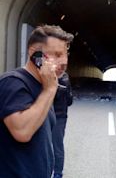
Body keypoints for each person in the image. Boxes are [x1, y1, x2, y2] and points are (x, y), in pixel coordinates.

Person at [0, 25, 73, 177]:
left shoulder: (42, 86)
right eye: (57, 55)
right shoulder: (13, 82)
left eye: (66, 55)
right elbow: (22, 132)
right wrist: (49, 90)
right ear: (35, 54)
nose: (64, 61)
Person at [52, 72, 73, 178]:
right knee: (57, 145)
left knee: (56, 145)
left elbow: (69, 100)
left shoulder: (62, 79)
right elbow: (70, 101)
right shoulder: (65, 77)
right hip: (59, 115)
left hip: (56, 115)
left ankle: (57, 172)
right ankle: (57, 172)